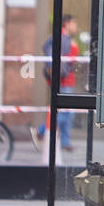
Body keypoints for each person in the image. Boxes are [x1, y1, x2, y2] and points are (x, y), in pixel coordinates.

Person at [31, 15, 80, 151]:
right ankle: (40, 131)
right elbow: (57, 58)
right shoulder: (62, 39)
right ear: (66, 24)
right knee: (66, 113)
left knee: (66, 113)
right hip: (63, 81)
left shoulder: (65, 40)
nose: (76, 27)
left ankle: (65, 142)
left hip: (66, 80)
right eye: (74, 23)